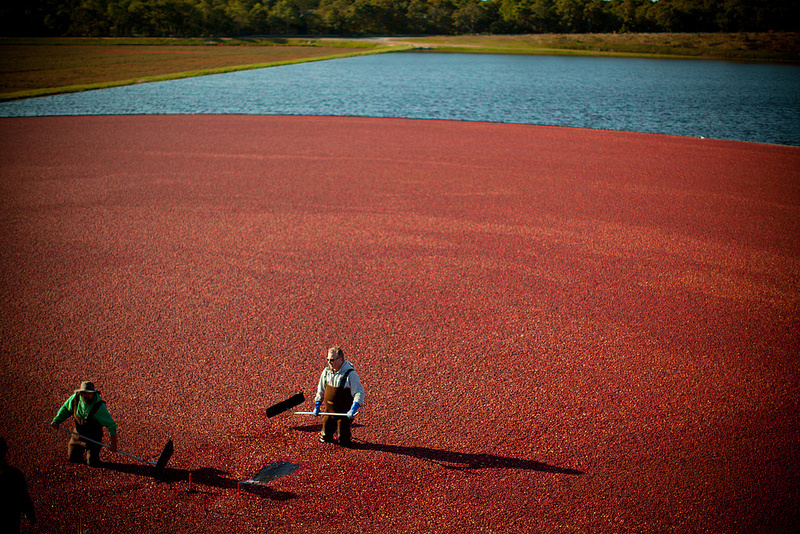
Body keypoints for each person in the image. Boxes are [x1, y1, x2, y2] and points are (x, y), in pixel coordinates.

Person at [50, 381, 118, 466]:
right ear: (80, 392)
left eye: (89, 393)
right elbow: (66, 409)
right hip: (77, 436)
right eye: (84, 393)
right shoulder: (75, 399)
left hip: (93, 439)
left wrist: (113, 443)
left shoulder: (99, 407)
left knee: (92, 463)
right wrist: (57, 420)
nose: (86, 395)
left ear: (93, 393)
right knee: (72, 458)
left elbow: (111, 425)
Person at [313, 346, 365, 447]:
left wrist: (353, 408)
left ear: (340, 359)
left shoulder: (351, 374)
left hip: (343, 414)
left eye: (332, 360)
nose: (329, 362)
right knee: (325, 437)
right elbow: (321, 389)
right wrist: (317, 405)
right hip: (328, 412)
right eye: (327, 359)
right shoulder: (326, 372)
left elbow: (359, 392)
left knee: (343, 439)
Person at [0, 437, 36, 534]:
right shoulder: (14, 474)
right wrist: (30, 513)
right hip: (11, 519)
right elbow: (23, 497)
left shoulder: (14, 474)